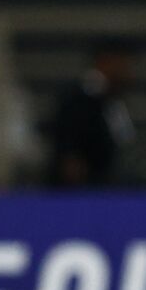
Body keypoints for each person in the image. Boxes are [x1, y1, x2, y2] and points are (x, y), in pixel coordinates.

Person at [44, 40, 135, 187]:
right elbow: (66, 139)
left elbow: (123, 138)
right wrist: (70, 158)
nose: (127, 70)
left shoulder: (114, 99)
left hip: (107, 183)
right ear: (105, 61)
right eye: (122, 64)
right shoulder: (77, 97)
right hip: (83, 188)